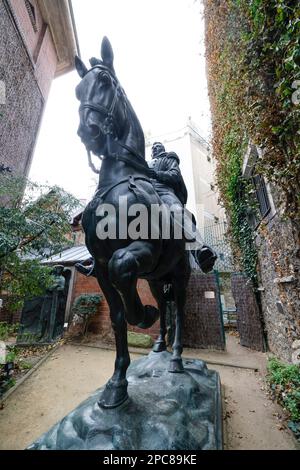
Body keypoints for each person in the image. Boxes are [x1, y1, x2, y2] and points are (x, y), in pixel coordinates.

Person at [148, 142, 217, 272]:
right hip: (144, 192)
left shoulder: (169, 158)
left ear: (163, 148)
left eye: (158, 145)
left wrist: (156, 175)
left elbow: (175, 175)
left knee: (177, 211)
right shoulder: (145, 163)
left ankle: (199, 249)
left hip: (164, 192)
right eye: (153, 147)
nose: (155, 147)